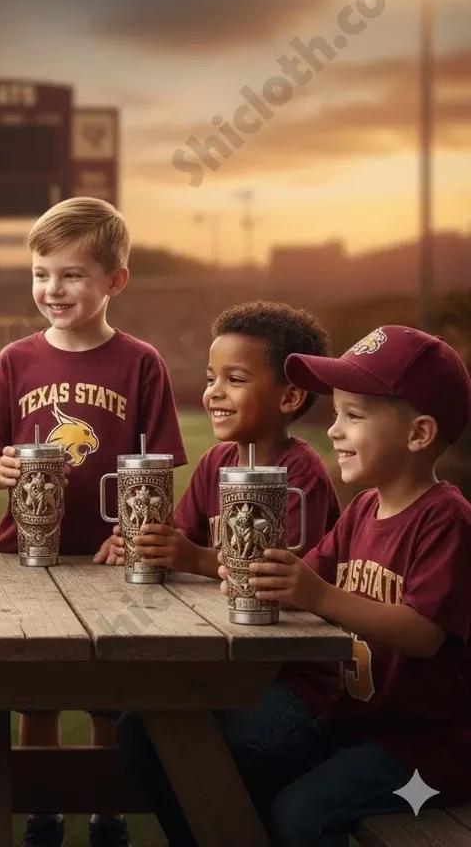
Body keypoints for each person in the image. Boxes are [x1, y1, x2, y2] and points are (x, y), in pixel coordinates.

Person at [117, 325, 471, 847]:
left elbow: (425, 633)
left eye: (354, 416)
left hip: (425, 754)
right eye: (335, 414)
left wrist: (317, 595)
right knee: (157, 735)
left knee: (301, 815)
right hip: (353, 728)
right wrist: (252, 572)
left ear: (418, 434)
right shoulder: (365, 510)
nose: (332, 431)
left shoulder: (446, 519)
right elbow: (302, 571)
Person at [0, 196, 187, 847]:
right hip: (27, 556)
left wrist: (138, 533)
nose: (52, 288)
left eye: (72, 274)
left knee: (107, 694)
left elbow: (159, 465)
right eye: (41, 273)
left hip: (108, 557)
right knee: (35, 694)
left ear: (114, 280)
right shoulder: (13, 360)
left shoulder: (141, 361)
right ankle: (40, 815)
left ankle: (107, 814)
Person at [135, 301, 340, 577]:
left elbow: (285, 574)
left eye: (235, 379)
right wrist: (147, 543)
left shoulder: (301, 471)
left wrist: (196, 560)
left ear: (289, 397)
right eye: (210, 379)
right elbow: (181, 537)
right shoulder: (214, 463)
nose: (214, 392)